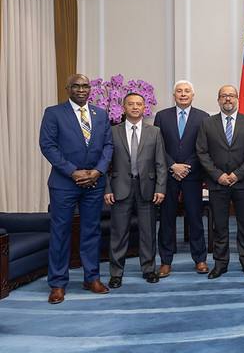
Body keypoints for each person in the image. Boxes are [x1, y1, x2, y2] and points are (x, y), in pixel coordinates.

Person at [39, 74, 113, 304]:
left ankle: (92, 278)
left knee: (91, 231)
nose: (81, 89)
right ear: (67, 88)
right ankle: (58, 283)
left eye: (85, 86)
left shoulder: (100, 114)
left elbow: (108, 145)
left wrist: (98, 171)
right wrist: (73, 172)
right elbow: (48, 145)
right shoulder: (53, 113)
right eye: (76, 86)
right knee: (61, 232)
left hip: (94, 183)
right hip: (64, 184)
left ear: (90, 89)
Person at [105, 93, 167, 288]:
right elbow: (105, 163)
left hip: (147, 188)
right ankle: (116, 273)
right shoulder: (112, 131)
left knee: (148, 232)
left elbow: (161, 164)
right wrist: (107, 188)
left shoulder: (154, 132)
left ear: (144, 108)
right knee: (119, 232)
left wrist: (160, 188)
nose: (135, 107)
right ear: (123, 107)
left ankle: (149, 269)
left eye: (138, 104)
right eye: (130, 104)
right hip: (120, 188)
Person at [196, 85, 244, 279]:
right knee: (219, 226)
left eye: (231, 96)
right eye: (224, 96)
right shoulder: (207, 123)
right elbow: (202, 152)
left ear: (237, 99)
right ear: (218, 100)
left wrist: (238, 174)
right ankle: (220, 263)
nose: (227, 99)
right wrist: (218, 175)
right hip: (217, 183)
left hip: (242, 182)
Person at [154, 80, 210, 276]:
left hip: (192, 175)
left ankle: (200, 259)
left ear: (193, 95)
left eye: (187, 91)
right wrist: (172, 165)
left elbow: (203, 147)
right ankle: (165, 261)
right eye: (179, 91)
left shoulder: (203, 117)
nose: (183, 94)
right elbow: (158, 145)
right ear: (174, 95)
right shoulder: (162, 116)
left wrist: (186, 167)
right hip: (168, 176)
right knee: (167, 219)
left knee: (195, 218)